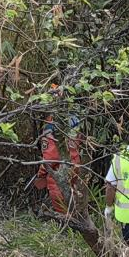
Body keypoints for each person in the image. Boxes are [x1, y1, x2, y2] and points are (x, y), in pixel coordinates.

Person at [34, 84, 83, 215]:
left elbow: (51, 157)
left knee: (62, 207)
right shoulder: (75, 119)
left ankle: (65, 228)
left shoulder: (51, 124)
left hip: (59, 170)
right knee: (75, 200)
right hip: (75, 168)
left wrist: (41, 174)